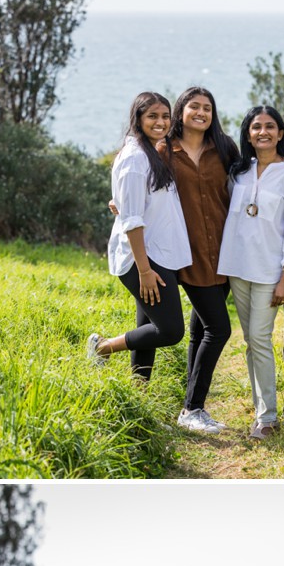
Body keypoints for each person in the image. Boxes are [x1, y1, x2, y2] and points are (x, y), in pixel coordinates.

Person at [87, 92, 191, 381]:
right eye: (152, 116)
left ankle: (139, 391)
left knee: (149, 325)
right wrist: (144, 270)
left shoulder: (150, 152)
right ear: (138, 119)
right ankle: (104, 347)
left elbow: (137, 203)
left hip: (155, 253)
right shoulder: (135, 159)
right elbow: (132, 221)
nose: (161, 122)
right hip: (143, 258)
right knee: (170, 330)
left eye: (165, 116)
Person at [217, 106, 284, 439]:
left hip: (270, 270)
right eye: (256, 127)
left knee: (259, 338)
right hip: (237, 267)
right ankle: (261, 411)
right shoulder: (239, 170)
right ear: (249, 134)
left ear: (281, 134)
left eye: (270, 127)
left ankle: (268, 419)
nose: (263, 132)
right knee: (251, 341)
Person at [166, 87, 240, 435]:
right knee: (219, 328)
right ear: (181, 110)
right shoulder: (163, 150)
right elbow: (134, 178)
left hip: (224, 251)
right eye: (194, 106)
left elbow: (249, 184)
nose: (201, 112)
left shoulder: (224, 147)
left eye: (207, 108)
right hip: (186, 253)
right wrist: (118, 202)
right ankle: (192, 408)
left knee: (199, 329)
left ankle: (191, 403)